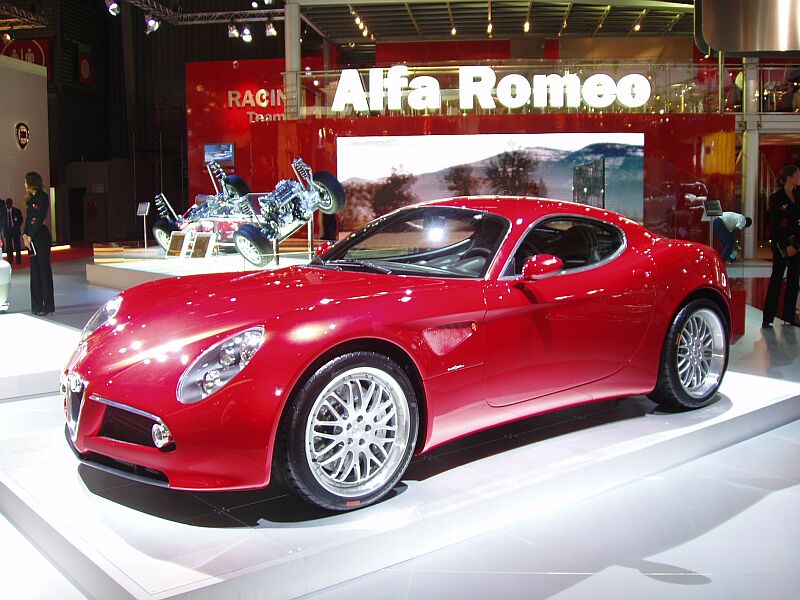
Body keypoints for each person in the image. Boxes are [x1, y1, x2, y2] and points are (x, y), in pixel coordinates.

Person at [762, 165, 800, 328]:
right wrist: (785, 246)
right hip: (781, 245)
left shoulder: (799, 195)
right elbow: (776, 225)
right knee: (777, 278)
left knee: (793, 280)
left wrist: (796, 245)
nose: (799, 177)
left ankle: (790, 316)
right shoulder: (776, 198)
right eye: (797, 175)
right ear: (789, 177)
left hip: (797, 244)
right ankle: (768, 317)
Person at [22, 172, 55, 316]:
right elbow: (29, 219)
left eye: (25, 182)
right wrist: (25, 235)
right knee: (34, 273)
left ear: (31, 183)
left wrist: (30, 236)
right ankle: (36, 305)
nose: (24, 185)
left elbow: (40, 218)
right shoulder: (31, 199)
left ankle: (47, 306)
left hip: (41, 238)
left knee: (44, 272)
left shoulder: (43, 197)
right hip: (31, 240)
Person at [4, 197, 24, 265]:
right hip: (7, 231)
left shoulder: (17, 211)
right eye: (7, 203)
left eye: (9, 203)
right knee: (9, 247)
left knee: (17, 246)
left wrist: (16, 226)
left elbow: (21, 220)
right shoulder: (3, 212)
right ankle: (10, 260)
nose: (8, 204)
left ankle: (18, 260)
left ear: (12, 203)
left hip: (15, 231)